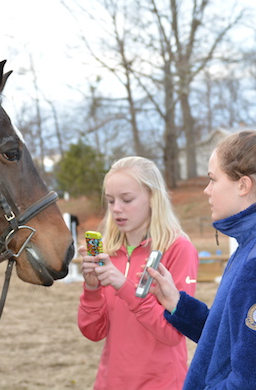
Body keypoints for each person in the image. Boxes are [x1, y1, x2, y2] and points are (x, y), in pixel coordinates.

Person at [147, 121, 256, 389]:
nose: (207, 189)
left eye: (213, 179)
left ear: (243, 185)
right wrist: (177, 304)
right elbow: (231, 341)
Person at [77, 156, 199, 390]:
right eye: (111, 201)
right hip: (109, 382)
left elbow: (173, 333)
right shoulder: (108, 251)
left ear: (153, 197)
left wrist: (123, 286)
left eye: (127, 199)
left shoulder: (178, 248)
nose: (117, 209)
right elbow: (93, 331)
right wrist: (91, 289)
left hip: (162, 383)